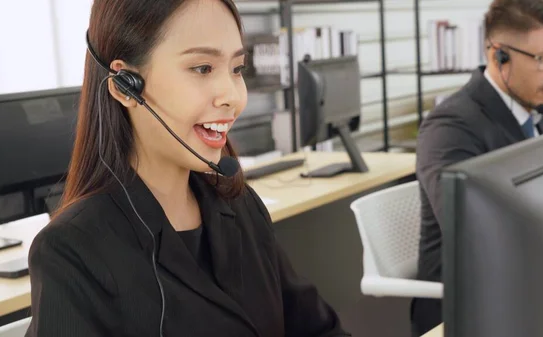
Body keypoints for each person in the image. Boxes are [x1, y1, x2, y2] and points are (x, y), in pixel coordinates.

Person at [25, 1, 351, 336]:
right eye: (202, 68)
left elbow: (319, 329)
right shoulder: (72, 251)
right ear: (125, 86)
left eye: (237, 69)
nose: (233, 96)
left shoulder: (240, 207)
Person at [412, 0, 543, 335]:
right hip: (469, 308)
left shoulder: (542, 112)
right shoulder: (451, 127)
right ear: (498, 55)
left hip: (536, 286)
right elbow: (474, 234)